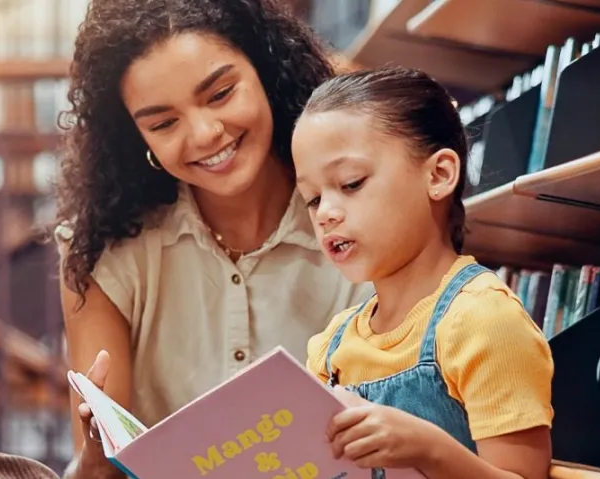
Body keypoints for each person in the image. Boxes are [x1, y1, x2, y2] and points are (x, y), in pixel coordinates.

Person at [41, 1, 372, 478]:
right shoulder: (102, 249)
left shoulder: (359, 210)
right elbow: (100, 472)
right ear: (136, 137)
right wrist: (99, 448)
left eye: (220, 94)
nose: (204, 135)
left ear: (266, 69)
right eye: (163, 124)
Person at [291, 65, 555, 479]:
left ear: (439, 174)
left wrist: (430, 450)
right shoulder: (328, 349)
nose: (325, 213)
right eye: (311, 199)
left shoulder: (485, 321)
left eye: (351, 183)